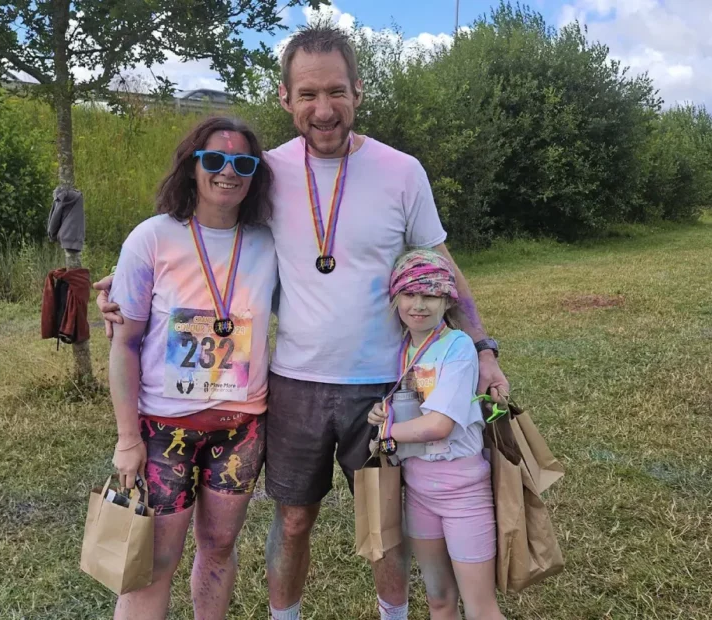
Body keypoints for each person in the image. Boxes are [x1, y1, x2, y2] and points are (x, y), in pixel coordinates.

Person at [96, 25, 510, 620]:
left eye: (337, 92)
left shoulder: (402, 172)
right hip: (291, 384)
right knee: (291, 519)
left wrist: (483, 347)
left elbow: (440, 264)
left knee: (383, 519)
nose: (324, 109)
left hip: (385, 383)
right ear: (286, 99)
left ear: (358, 92)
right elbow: (203, 223)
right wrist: (126, 282)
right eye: (309, 94)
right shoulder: (262, 171)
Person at [107, 116, 277, 620]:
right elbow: (125, 343)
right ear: (192, 166)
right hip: (162, 428)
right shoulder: (152, 238)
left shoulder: (269, 243)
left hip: (240, 428)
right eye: (215, 160)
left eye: (243, 162)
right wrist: (126, 438)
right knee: (153, 560)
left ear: (255, 175)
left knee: (220, 547)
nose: (229, 171)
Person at [368, 249, 504, 620]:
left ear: (447, 300)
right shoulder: (402, 350)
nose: (419, 304)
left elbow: (439, 424)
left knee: (481, 609)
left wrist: (386, 432)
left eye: (430, 295)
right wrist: (382, 412)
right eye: (410, 294)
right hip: (419, 494)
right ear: (396, 299)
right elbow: (407, 408)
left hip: (463, 495)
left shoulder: (458, 346)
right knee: (439, 601)